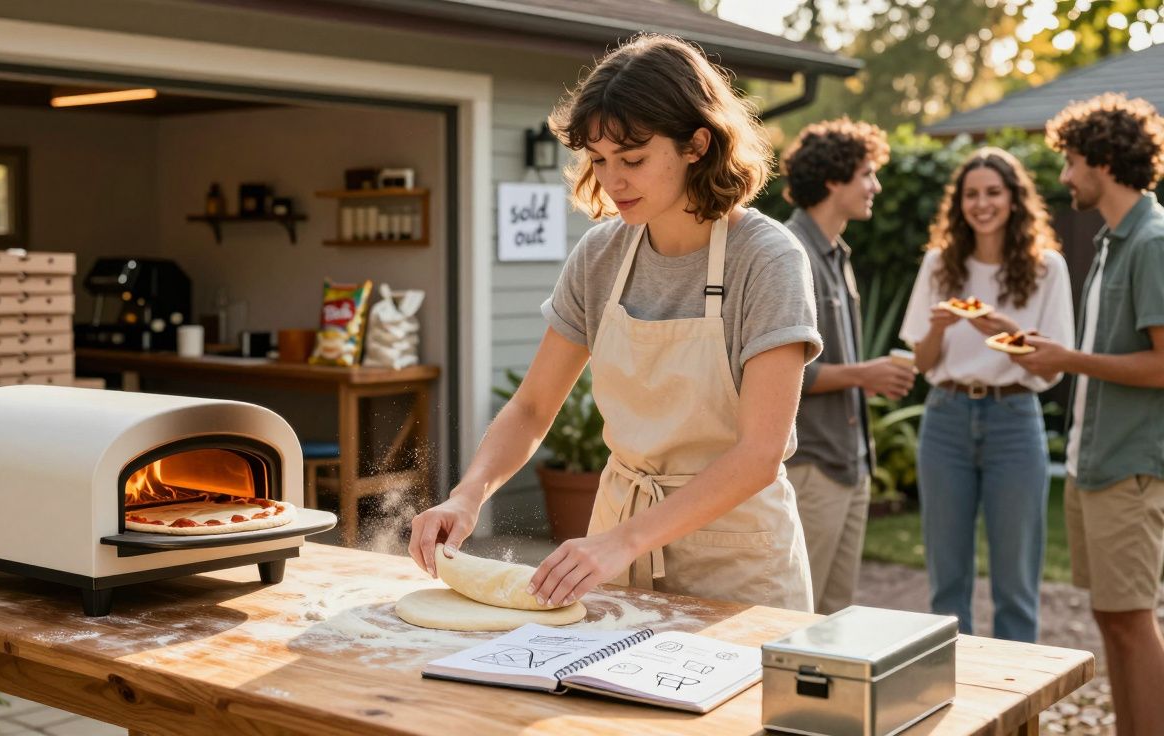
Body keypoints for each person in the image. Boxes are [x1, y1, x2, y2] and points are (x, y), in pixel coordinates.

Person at [408, 33, 822, 612]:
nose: (612, 180)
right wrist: (467, 495)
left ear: (697, 144)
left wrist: (620, 540)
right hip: (616, 542)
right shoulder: (602, 255)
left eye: (633, 159)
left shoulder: (769, 259)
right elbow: (531, 408)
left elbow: (759, 453)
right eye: (599, 160)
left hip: (737, 557)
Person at [1012, 93, 1164, 735]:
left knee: (1132, 623)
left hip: (1128, 466)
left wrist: (1068, 360)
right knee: (1113, 619)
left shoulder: (1152, 243)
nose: (1065, 177)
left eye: (1072, 162)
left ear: (1103, 160)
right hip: (1092, 461)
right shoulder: (1110, 244)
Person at [898, 147, 1074, 642]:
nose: (982, 204)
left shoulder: (1048, 269)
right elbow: (923, 364)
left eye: (993, 193)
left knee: (1016, 579)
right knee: (947, 576)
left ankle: (1017, 703)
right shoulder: (938, 265)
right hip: (946, 416)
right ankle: (949, 688)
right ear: (959, 204)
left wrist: (1003, 329)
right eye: (971, 194)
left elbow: (1052, 369)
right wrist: (936, 329)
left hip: (1014, 417)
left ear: (1014, 200)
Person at [780, 119, 915, 614]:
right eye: (866, 173)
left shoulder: (837, 255)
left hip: (851, 465)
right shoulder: (791, 255)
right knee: (797, 614)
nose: (875, 186)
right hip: (812, 463)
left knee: (835, 615)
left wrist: (866, 377)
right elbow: (783, 372)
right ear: (833, 179)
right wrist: (865, 374)